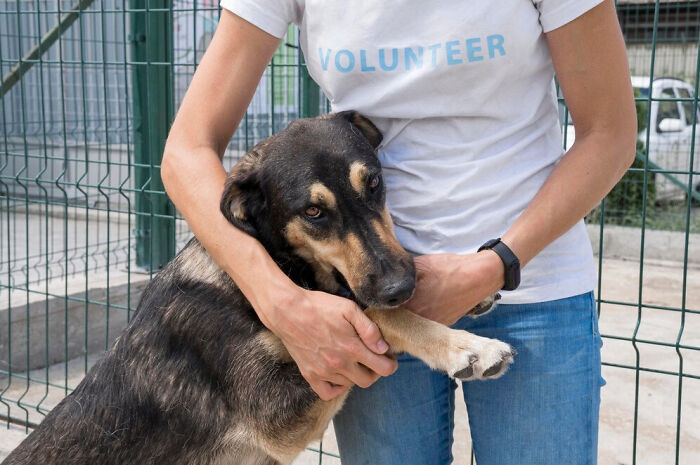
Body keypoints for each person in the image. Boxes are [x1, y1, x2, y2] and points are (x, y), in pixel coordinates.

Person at [161, 1, 636, 463]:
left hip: (532, 287)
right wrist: (282, 303)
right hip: (370, 313)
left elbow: (609, 134)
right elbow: (186, 153)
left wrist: (497, 264)